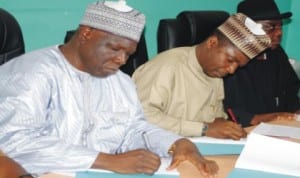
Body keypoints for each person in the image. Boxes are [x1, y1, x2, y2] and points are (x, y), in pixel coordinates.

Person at [0, 1, 219, 177]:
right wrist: (106, 161)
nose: (121, 59)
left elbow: (133, 129)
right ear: (86, 33)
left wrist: (175, 143)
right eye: (115, 48)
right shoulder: (31, 73)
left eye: (129, 54)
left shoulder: (119, 81)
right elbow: (14, 142)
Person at [132, 13, 271, 138]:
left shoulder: (214, 72)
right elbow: (141, 117)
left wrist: (224, 126)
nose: (232, 70)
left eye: (238, 65)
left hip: (198, 147)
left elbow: (215, 117)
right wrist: (204, 129)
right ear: (212, 43)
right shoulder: (165, 67)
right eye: (230, 60)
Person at [223, 0, 300, 127]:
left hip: (277, 126)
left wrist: (295, 111)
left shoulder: (275, 53)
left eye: (280, 26)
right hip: (240, 128)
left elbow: (290, 89)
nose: (279, 33)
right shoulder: (230, 58)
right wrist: (256, 119)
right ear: (245, 29)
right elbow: (223, 105)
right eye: (270, 27)